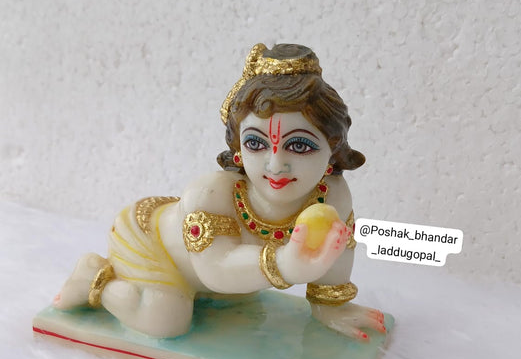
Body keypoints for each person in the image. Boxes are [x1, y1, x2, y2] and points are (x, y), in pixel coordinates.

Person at [54, 43, 386, 340]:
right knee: (166, 321)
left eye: (299, 145)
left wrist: (330, 307)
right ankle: (95, 278)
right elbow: (216, 269)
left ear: (332, 151)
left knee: (244, 294)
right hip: (147, 239)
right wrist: (284, 264)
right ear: (238, 149)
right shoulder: (210, 193)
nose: (275, 165)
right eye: (255, 143)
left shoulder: (333, 194)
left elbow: (338, 250)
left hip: (214, 281)